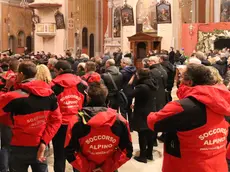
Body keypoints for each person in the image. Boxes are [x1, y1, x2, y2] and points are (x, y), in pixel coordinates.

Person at [147, 64, 230, 172]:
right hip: (218, 165)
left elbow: (153, 122)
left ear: (189, 82)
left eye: (181, 76)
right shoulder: (225, 101)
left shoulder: (182, 106)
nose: (179, 79)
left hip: (187, 165)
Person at [0, 61, 62, 172]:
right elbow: (56, 120)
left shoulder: (13, 96)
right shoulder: (50, 94)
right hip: (40, 144)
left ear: (22, 74)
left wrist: (6, 87)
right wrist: (44, 141)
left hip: (18, 146)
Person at [65, 82, 133, 172]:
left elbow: (70, 152)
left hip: (84, 168)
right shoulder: (120, 121)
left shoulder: (77, 121)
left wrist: (89, 167)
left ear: (88, 97)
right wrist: (107, 166)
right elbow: (127, 151)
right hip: (108, 168)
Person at [51, 60, 87, 172]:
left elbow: (50, 106)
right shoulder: (82, 84)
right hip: (77, 122)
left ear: (60, 70)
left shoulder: (53, 85)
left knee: (59, 155)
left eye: (55, 71)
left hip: (60, 125)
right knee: (77, 154)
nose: (54, 73)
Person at [128, 68, 158, 163]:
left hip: (142, 112)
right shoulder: (153, 84)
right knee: (150, 133)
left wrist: (131, 82)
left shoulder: (141, 86)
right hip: (151, 110)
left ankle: (143, 156)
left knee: (142, 134)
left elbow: (129, 94)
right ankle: (149, 154)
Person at [120, 58, 136, 128]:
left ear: (124, 63)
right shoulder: (134, 70)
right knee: (129, 109)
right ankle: (131, 126)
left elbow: (120, 82)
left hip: (124, 91)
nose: (120, 64)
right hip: (131, 91)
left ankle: (124, 126)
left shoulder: (123, 72)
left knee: (123, 109)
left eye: (121, 62)